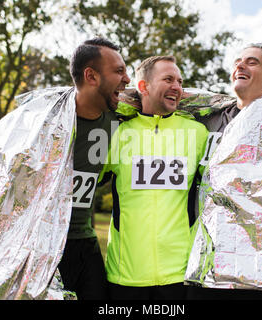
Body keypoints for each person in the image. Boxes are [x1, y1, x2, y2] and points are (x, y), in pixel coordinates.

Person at [187, 42, 262, 300]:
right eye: (238, 61)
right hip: (207, 263)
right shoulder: (210, 118)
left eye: (252, 61)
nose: (240, 65)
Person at [100, 56, 209, 300]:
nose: (177, 87)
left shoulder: (198, 134)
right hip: (125, 276)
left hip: (181, 275)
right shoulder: (117, 133)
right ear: (143, 87)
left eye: (180, 82)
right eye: (168, 79)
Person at [56, 38, 130, 300]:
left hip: (85, 239)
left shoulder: (119, 115)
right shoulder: (46, 120)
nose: (127, 79)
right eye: (119, 71)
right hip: (44, 246)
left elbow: (161, 93)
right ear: (91, 76)